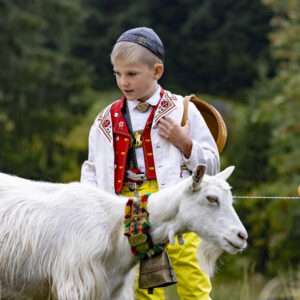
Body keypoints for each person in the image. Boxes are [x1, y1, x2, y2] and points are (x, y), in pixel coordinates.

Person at [81, 27, 220, 300]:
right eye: (117, 73)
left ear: (157, 71)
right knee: (139, 286)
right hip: (127, 210)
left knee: (192, 277)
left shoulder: (183, 111)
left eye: (132, 74)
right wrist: (91, 207)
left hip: (177, 206)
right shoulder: (105, 120)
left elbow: (212, 165)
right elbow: (93, 169)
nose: (123, 82)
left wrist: (185, 143)